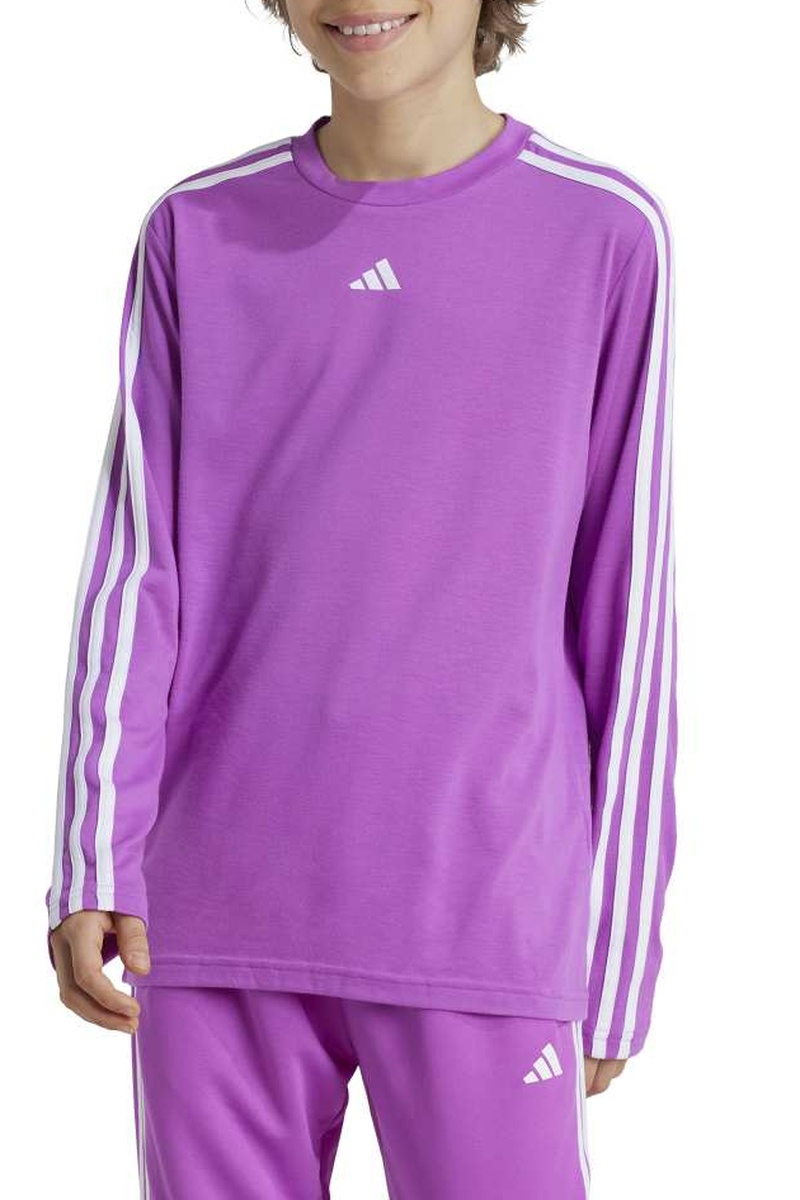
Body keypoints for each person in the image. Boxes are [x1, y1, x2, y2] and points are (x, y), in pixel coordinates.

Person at [44, 0, 678, 1195]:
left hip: (482, 915)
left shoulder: (599, 231)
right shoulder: (198, 229)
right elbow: (137, 570)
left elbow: (627, 613)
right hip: (214, 918)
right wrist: (93, 858)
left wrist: (620, 945)